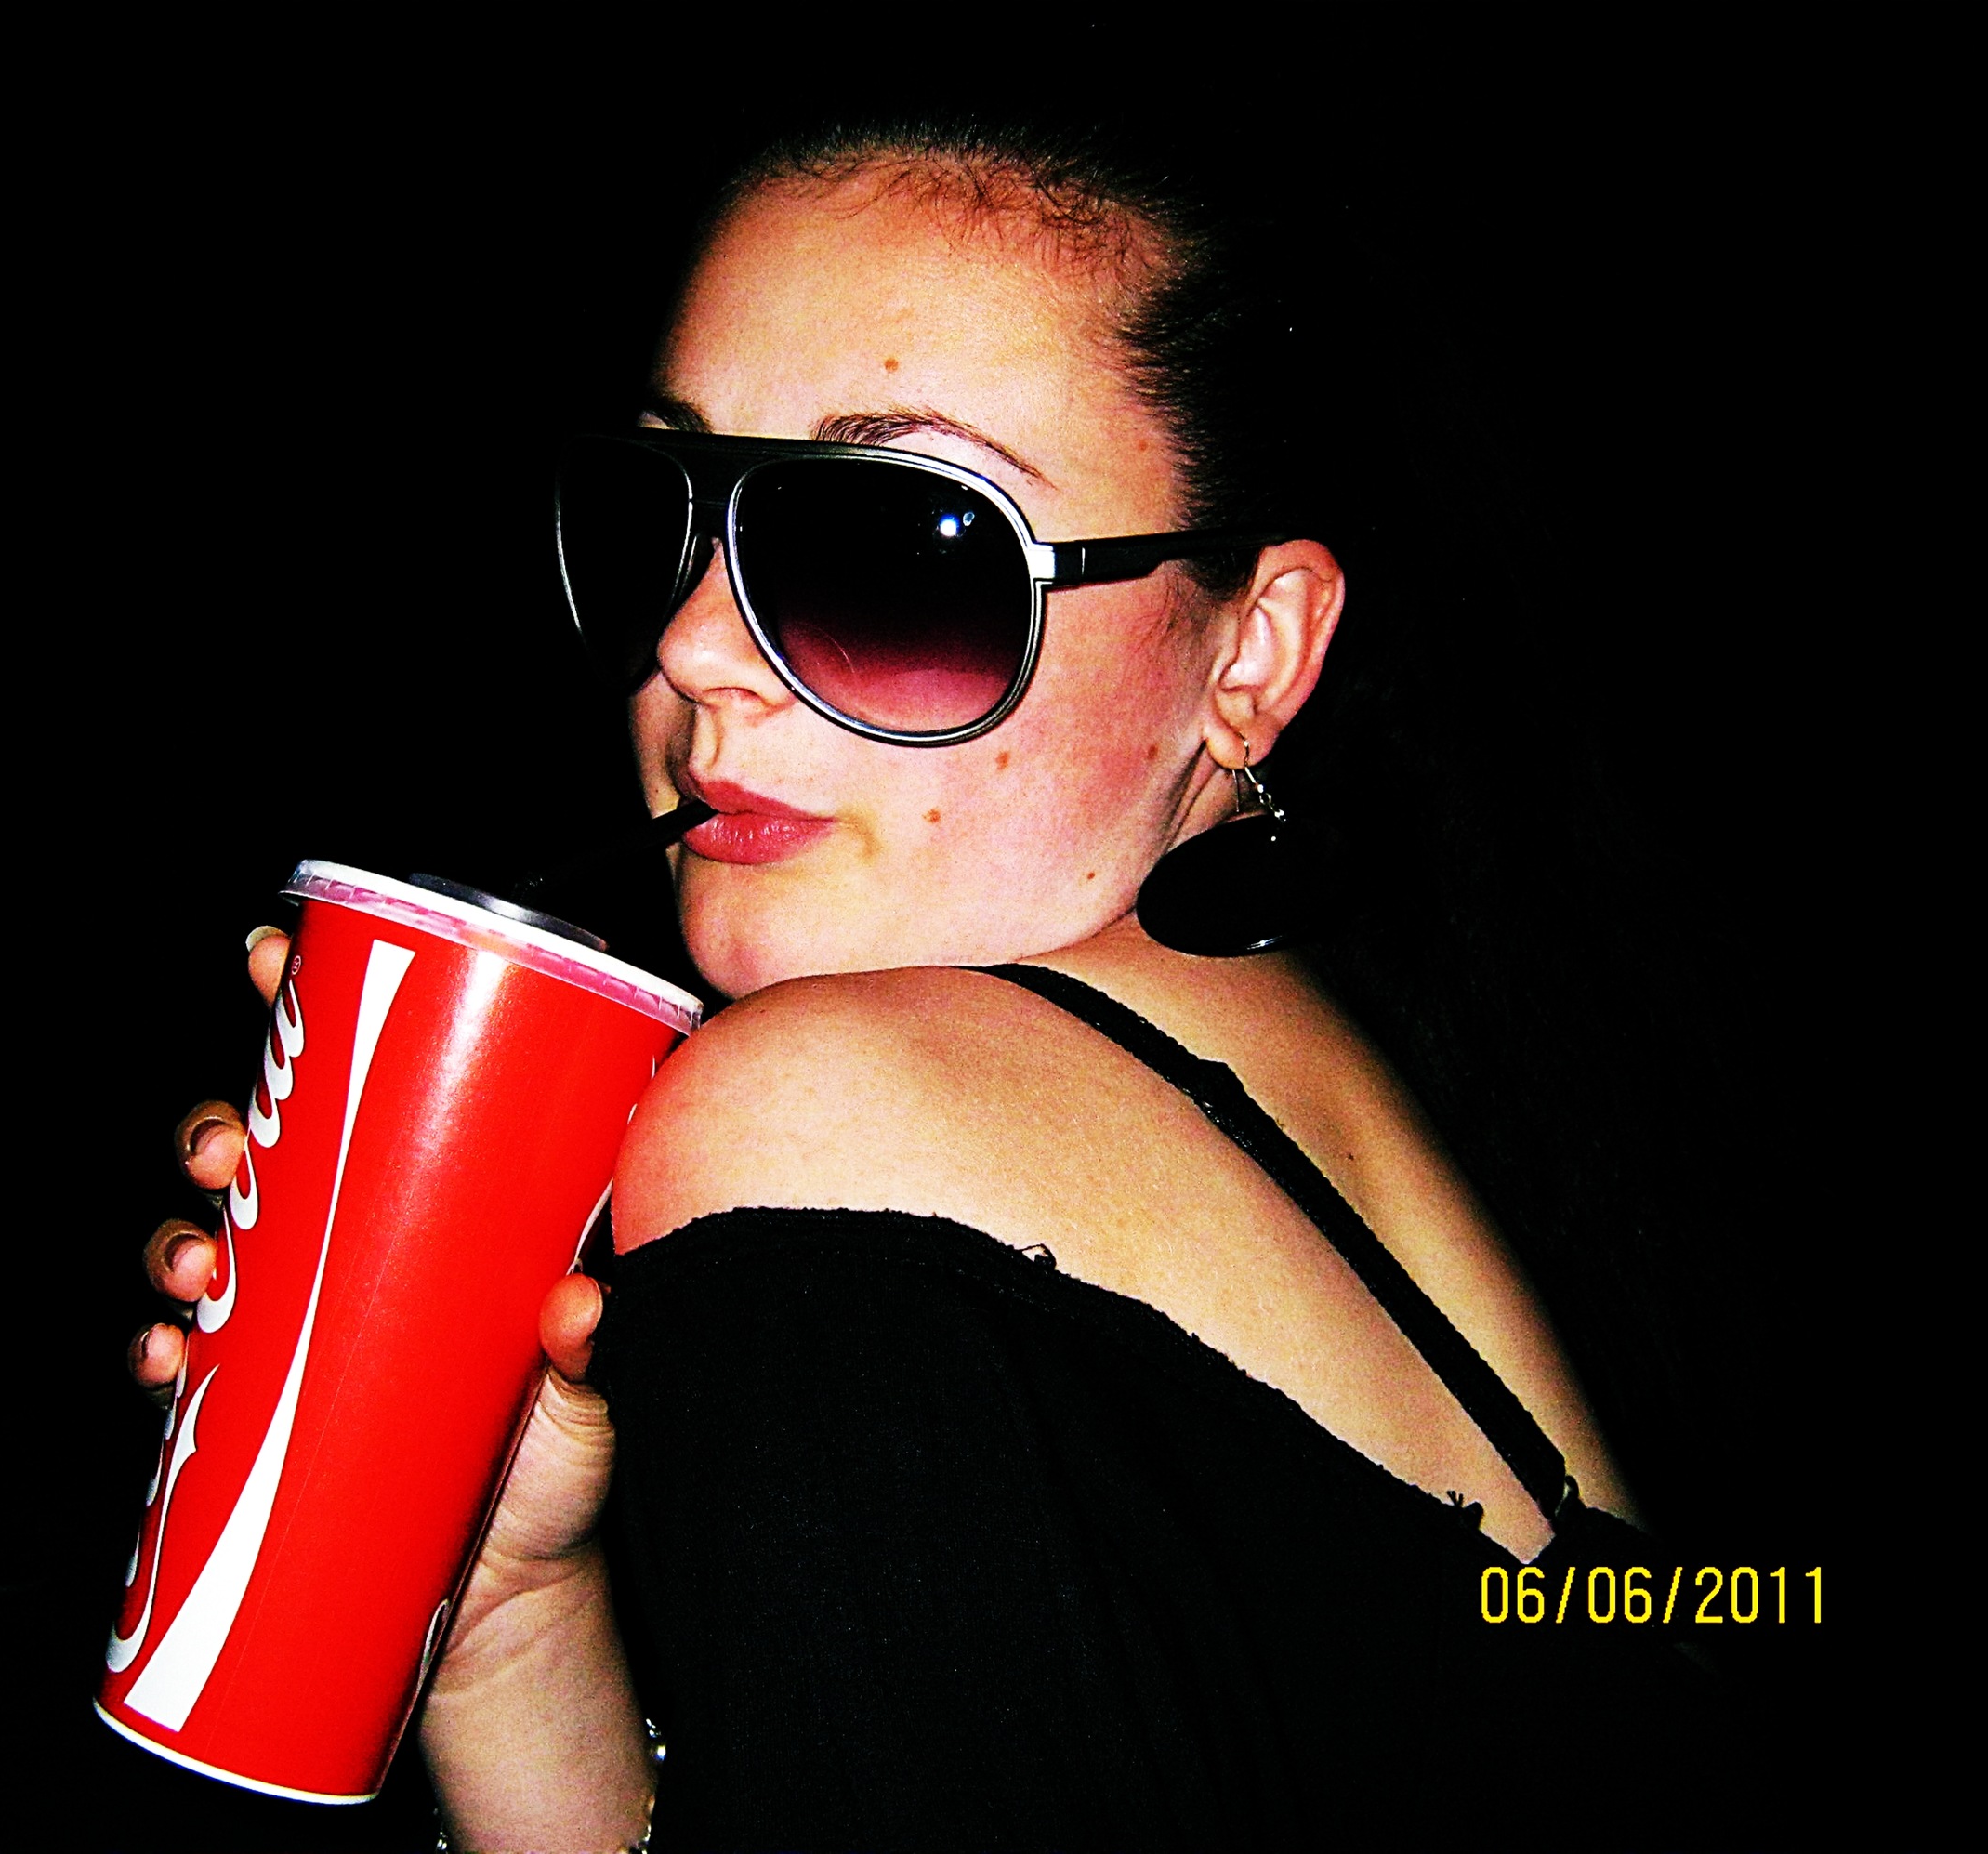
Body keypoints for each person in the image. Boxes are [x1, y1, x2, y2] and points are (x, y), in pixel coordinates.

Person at [134, 114, 1738, 1850]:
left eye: (899, 549)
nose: (692, 644)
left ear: (1252, 650)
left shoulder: (822, 1115)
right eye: (667, 512)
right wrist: (507, 1628)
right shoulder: (1330, 1071)